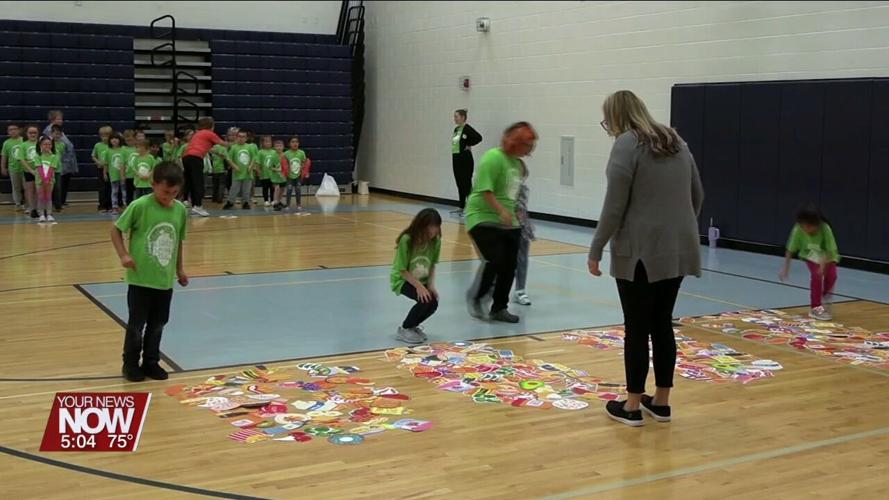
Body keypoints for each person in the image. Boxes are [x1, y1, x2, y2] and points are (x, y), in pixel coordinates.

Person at [587, 90, 704, 427]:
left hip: (640, 250)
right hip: (678, 247)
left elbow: (614, 206)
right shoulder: (675, 140)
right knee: (662, 323)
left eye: (607, 120)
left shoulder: (627, 143)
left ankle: (633, 404)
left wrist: (596, 248)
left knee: (636, 327)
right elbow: (698, 195)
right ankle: (662, 402)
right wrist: (678, 227)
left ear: (616, 117)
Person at [111, 161, 188, 382]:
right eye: (165, 192)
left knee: (158, 324)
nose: (168, 197)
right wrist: (124, 255)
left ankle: (151, 362)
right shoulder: (140, 205)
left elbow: (178, 241)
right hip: (141, 279)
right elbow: (115, 230)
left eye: (174, 193)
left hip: (164, 281)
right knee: (137, 325)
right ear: (153, 184)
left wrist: (180, 269)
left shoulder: (180, 210)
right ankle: (130, 364)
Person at [464, 122, 537, 324]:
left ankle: (499, 307)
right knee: (495, 259)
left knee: (509, 265)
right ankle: (477, 296)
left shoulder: (516, 164)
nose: (528, 151)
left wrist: (513, 215)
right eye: (526, 146)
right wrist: (501, 210)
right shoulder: (492, 158)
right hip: (482, 217)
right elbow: (485, 191)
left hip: (508, 221)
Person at [391, 208, 442, 344]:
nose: (434, 231)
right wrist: (420, 287)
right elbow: (402, 269)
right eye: (431, 226)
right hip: (403, 279)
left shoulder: (436, 241)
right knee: (425, 300)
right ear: (421, 225)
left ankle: (413, 326)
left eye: (436, 226)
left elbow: (432, 265)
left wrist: (430, 286)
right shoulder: (407, 240)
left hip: (422, 279)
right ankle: (405, 328)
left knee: (433, 303)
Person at [779, 205, 839, 320]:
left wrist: (823, 264)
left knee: (832, 276)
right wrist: (785, 269)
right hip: (810, 254)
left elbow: (830, 250)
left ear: (817, 224)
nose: (807, 229)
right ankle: (816, 308)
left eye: (810, 226)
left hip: (827, 254)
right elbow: (790, 249)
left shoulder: (825, 228)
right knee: (816, 276)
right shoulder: (798, 229)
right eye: (804, 226)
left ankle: (825, 298)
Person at [181, 117, 225, 217]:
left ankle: (194, 206)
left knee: (191, 182)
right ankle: (198, 206)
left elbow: (205, 147)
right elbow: (223, 143)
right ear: (211, 126)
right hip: (196, 158)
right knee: (198, 182)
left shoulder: (198, 134)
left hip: (186, 157)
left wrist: (218, 154)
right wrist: (232, 143)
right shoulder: (209, 133)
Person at [451, 109, 483, 216]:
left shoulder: (467, 129)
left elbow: (479, 138)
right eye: (454, 116)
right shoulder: (456, 129)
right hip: (456, 159)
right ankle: (461, 206)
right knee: (459, 183)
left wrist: (469, 144)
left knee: (466, 184)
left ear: (463, 117)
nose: (455, 118)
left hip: (465, 159)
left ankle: (471, 208)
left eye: (457, 116)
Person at [43, 111, 77, 209]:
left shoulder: (60, 130)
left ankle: (62, 200)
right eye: (58, 119)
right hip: (58, 161)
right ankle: (56, 202)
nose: (60, 120)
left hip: (66, 161)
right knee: (58, 183)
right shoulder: (49, 130)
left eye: (61, 119)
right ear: (52, 120)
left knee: (64, 182)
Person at [513, 160, 535, 306]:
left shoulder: (523, 189)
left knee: (522, 259)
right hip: (506, 226)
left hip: (521, 227)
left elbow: (522, 209)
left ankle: (520, 290)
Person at [223, 130, 256, 210]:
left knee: (246, 189)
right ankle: (230, 202)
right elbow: (228, 158)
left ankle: (245, 202)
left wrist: (251, 166)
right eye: (239, 136)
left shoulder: (249, 147)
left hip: (247, 173)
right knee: (234, 188)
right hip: (237, 173)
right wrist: (234, 166)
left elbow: (254, 158)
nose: (241, 138)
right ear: (236, 137)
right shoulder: (234, 147)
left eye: (243, 137)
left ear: (246, 138)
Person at [34, 135, 59, 222]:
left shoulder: (54, 157)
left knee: (48, 197)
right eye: (45, 144)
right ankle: (41, 214)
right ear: (40, 145)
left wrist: (47, 179)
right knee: (41, 197)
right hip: (40, 181)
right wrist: (43, 179)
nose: (47, 146)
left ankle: (49, 214)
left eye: (49, 144)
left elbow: (52, 168)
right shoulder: (37, 156)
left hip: (50, 181)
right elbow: (39, 168)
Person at [17, 125, 41, 219]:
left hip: (40, 171)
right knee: (30, 190)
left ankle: (39, 208)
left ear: (37, 133)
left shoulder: (40, 143)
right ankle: (32, 209)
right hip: (28, 171)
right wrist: (30, 170)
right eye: (30, 132)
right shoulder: (23, 145)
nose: (33, 134)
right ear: (27, 134)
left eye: (35, 132)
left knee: (38, 190)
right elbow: (22, 159)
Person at [1, 123, 25, 212]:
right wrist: (3, 167)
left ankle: (28, 203)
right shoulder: (6, 143)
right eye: (10, 130)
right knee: (16, 187)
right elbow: (4, 156)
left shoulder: (24, 140)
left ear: (19, 130)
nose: (13, 131)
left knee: (27, 187)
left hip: (25, 168)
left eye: (15, 129)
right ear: (8, 132)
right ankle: (18, 203)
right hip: (13, 168)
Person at [104, 133, 127, 213]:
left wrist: (124, 174)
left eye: (116, 138)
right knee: (114, 191)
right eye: (112, 138)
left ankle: (125, 205)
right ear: (110, 140)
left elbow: (125, 163)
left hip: (123, 175)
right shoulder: (108, 151)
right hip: (113, 175)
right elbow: (106, 163)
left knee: (124, 191)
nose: (114, 140)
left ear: (119, 140)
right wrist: (104, 173)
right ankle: (114, 207)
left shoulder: (123, 149)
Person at [92, 125, 113, 213]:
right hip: (101, 169)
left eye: (107, 135)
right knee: (102, 188)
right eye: (102, 135)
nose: (104, 138)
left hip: (111, 170)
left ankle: (110, 204)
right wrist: (98, 162)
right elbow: (93, 155)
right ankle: (102, 205)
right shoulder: (98, 145)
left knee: (110, 187)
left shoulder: (112, 146)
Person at [284, 136, 307, 211]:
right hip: (290, 176)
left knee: (298, 190)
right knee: (289, 190)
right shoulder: (286, 153)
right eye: (292, 142)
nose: (295, 143)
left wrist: (303, 169)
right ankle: (287, 205)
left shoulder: (301, 153)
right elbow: (284, 164)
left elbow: (304, 162)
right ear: (289, 144)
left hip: (298, 175)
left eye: (296, 142)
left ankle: (298, 204)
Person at [256, 135, 277, 207]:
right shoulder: (260, 152)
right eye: (266, 141)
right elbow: (258, 163)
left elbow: (276, 163)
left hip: (272, 175)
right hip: (264, 174)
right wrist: (258, 171)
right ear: (262, 143)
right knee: (265, 188)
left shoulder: (274, 152)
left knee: (272, 188)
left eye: (269, 141)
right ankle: (266, 200)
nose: (268, 143)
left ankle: (272, 200)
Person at [270, 139, 288, 210]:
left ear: (283, 147)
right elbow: (269, 166)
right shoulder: (273, 156)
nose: (279, 147)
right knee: (277, 188)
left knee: (282, 189)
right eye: (277, 146)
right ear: (274, 147)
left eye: (280, 146)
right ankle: (275, 203)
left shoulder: (285, 155)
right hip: (275, 176)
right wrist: (276, 170)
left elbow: (287, 165)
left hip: (282, 176)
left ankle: (279, 201)